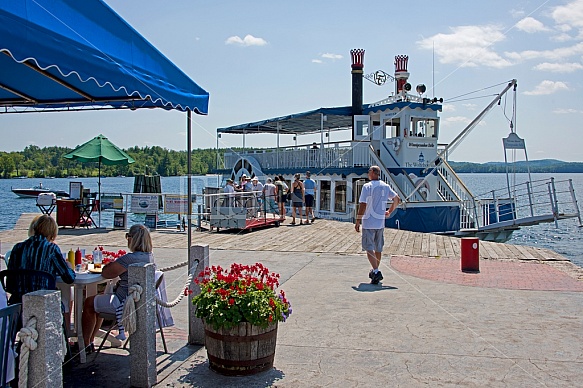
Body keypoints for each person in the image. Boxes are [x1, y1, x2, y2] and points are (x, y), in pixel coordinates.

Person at [81, 224, 154, 352]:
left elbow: (106, 273)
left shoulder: (130, 258)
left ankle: (86, 343)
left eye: (128, 237)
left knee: (89, 303)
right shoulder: (149, 257)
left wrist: (110, 264)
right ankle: (91, 338)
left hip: (123, 303)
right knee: (99, 301)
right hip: (139, 300)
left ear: (132, 239)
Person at [8, 214, 75, 298]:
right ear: (53, 233)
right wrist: (69, 267)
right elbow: (69, 279)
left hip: (19, 301)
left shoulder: (18, 247)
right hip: (43, 302)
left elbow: (9, 284)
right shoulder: (51, 249)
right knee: (63, 297)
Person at [354, 166, 401, 284]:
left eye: (369, 171)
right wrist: (389, 211)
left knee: (369, 248)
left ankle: (376, 271)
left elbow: (363, 205)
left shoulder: (367, 186)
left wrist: (358, 220)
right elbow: (397, 199)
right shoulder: (385, 186)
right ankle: (375, 272)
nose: (368, 173)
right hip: (380, 222)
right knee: (378, 248)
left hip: (369, 222)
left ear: (374, 173)